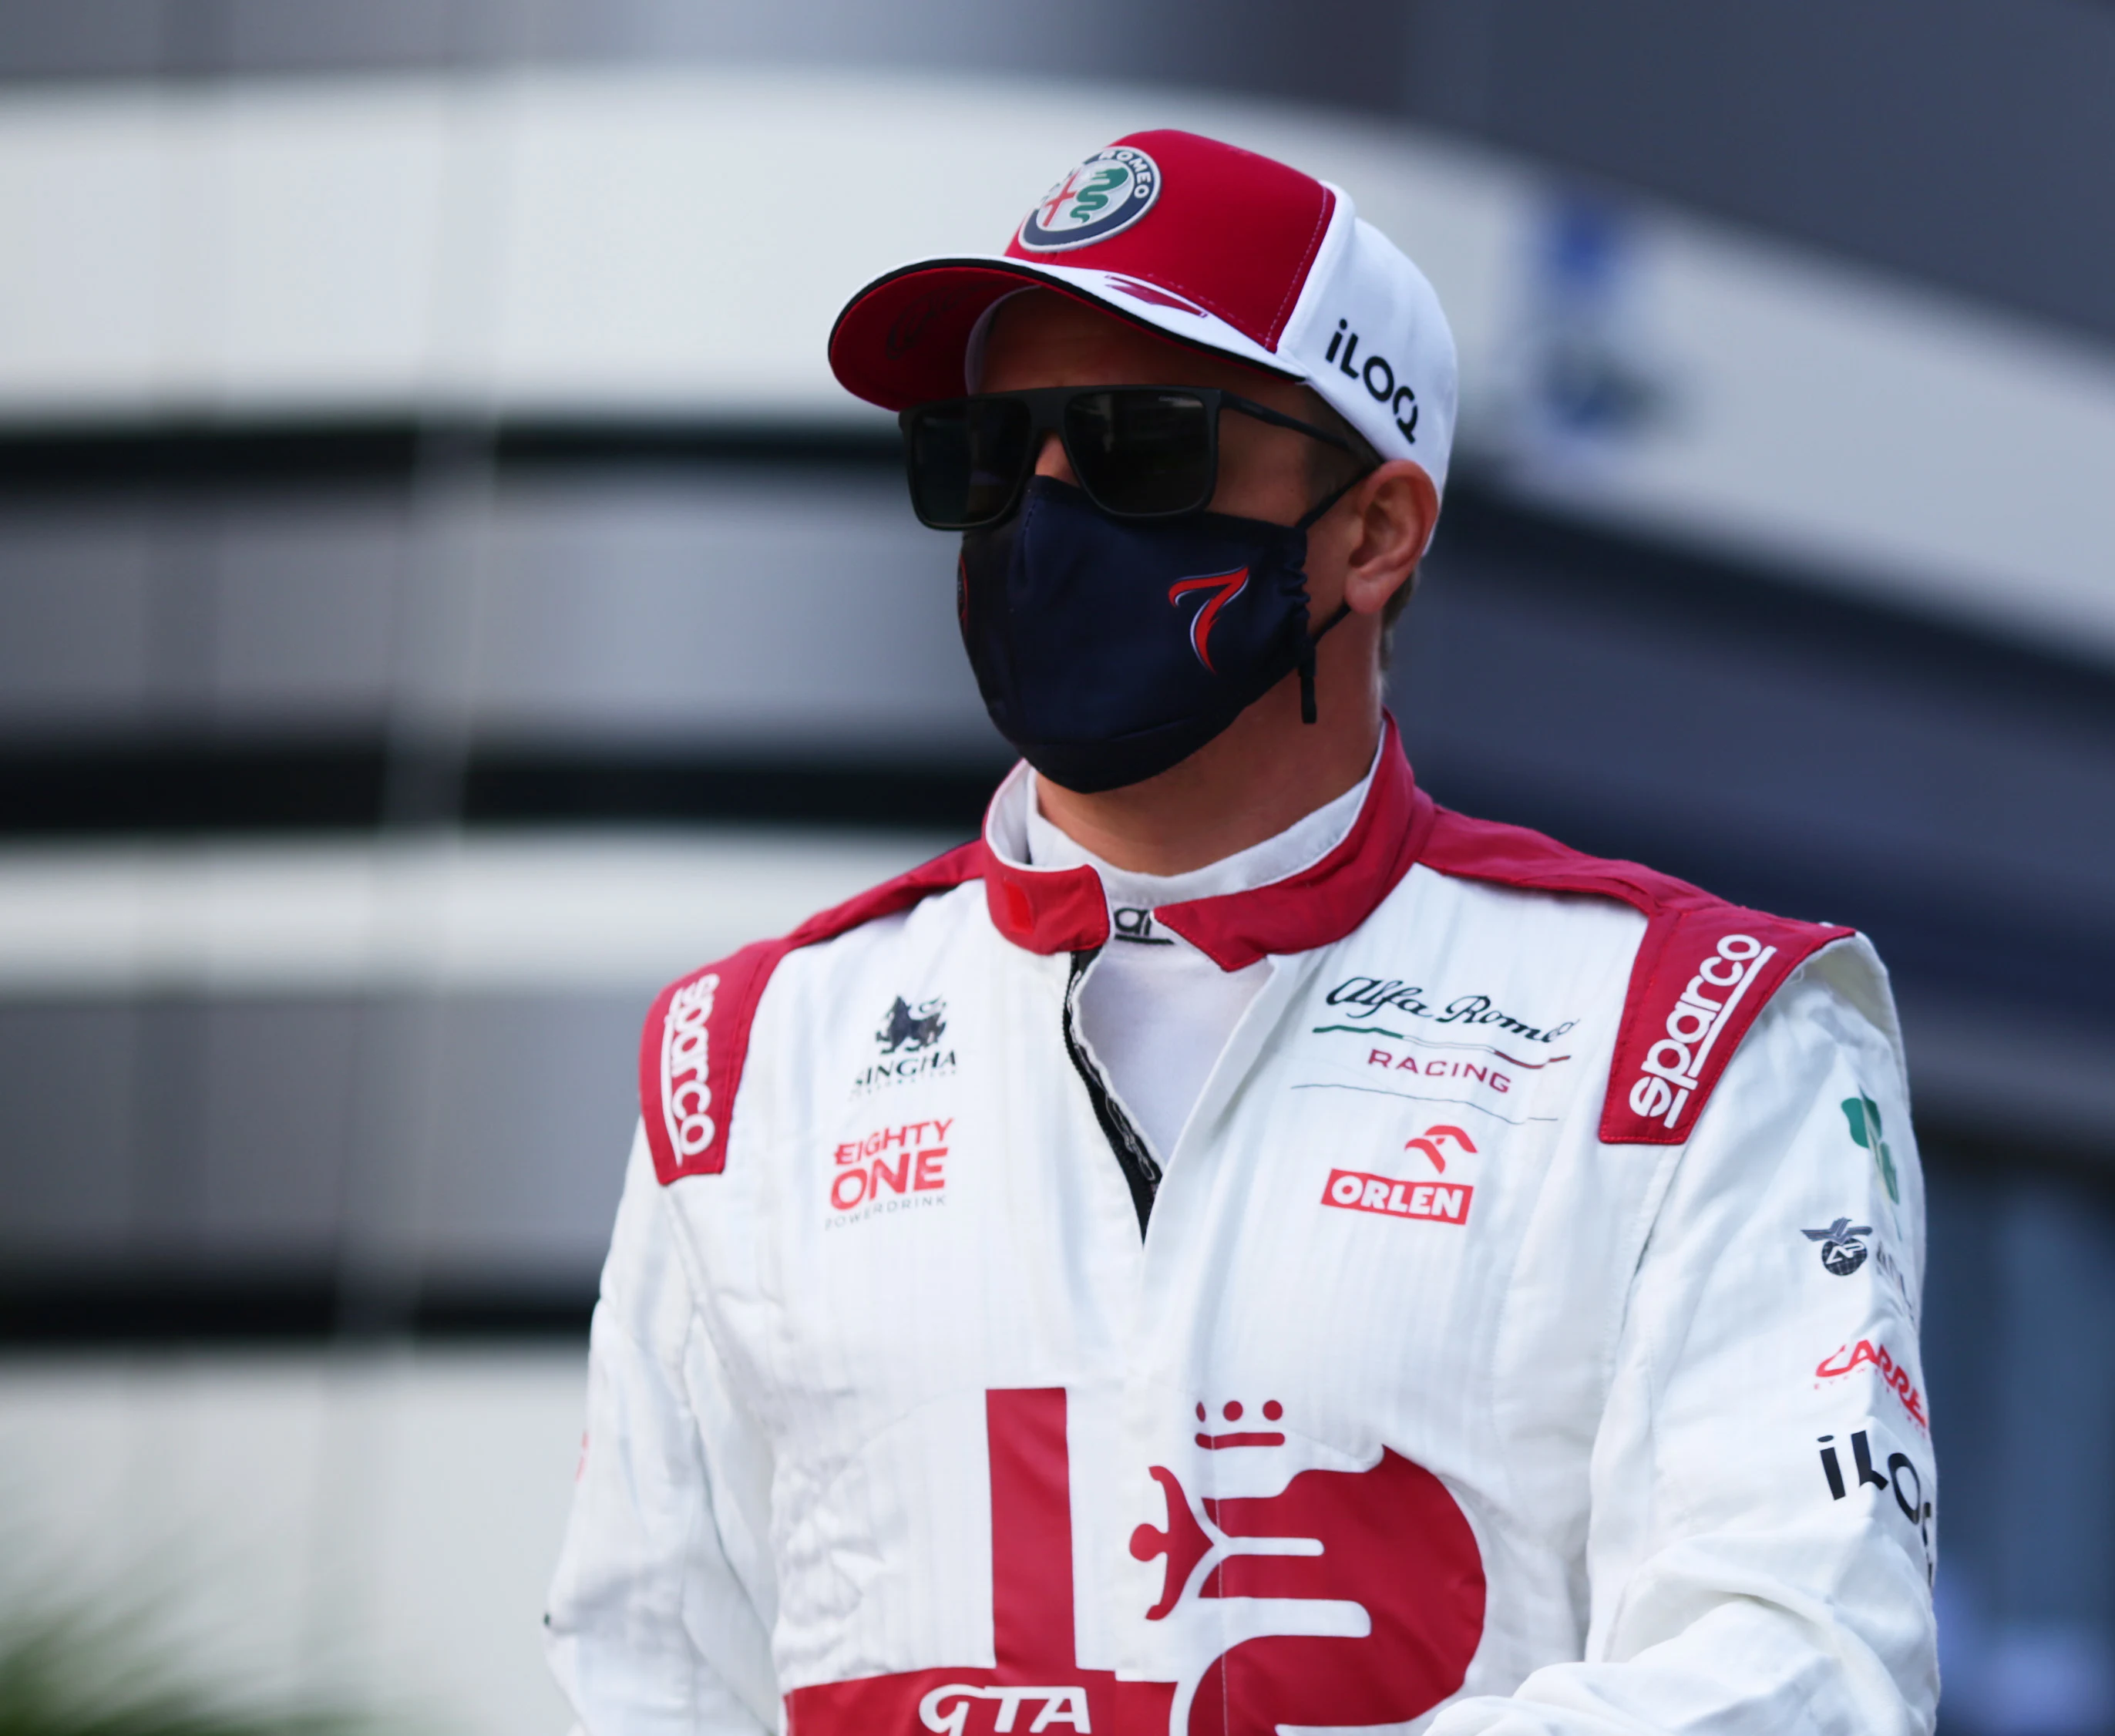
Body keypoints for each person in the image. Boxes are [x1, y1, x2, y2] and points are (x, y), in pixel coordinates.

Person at [545, 130, 1938, 1736]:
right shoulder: (753, 1058)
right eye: (986, 456)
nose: (1044, 514)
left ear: (1372, 533)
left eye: (1138, 445)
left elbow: (1800, 1674)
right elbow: (646, 1676)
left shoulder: (1694, 1036)